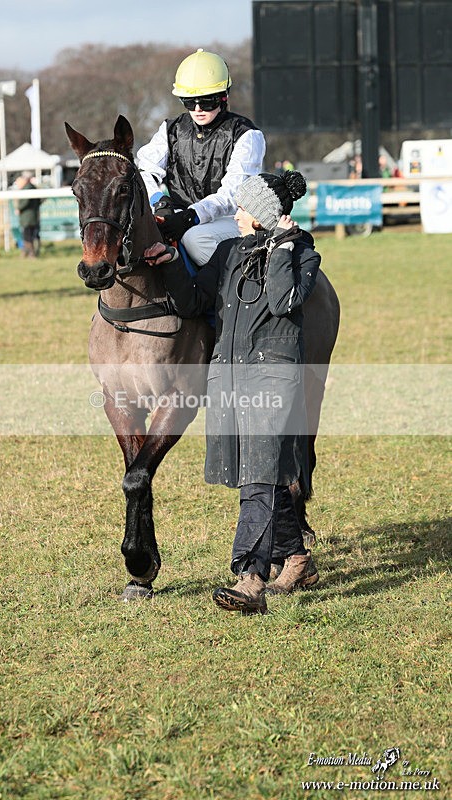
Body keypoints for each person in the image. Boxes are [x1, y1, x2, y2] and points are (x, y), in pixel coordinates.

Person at [144, 171, 321, 615]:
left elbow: (283, 301)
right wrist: (168, 262)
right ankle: (296, 557)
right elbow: (195, 302)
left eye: (245, 208)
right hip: (229, 376)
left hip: (272, 377)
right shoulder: (229, 252)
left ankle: (250, 577)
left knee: (259, 475)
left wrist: (281, 246)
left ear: (263, 215)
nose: (237, 215)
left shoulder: (302, 254)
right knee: (256, 470)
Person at [137, 48, 266, 266]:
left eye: (207, 101)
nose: (197, 109)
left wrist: (191, 216)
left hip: (232, 220)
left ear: (223, 97)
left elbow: (232, 195)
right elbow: (144, 171)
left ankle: (234, 294)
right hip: (181, 216)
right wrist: (158, 200)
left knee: (195, 239)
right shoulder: (170, 129)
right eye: (189, 102)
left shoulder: (247, 135)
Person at [14, 172, 42, 257]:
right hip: (31, 216)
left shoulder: (28, 188)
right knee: (30, 235)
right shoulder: (33, 187)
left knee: (27, 236)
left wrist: (19, 208)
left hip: (28, 217)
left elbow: (25, 202)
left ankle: (31, 253)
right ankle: (27, 253)